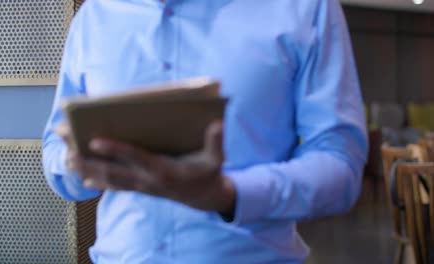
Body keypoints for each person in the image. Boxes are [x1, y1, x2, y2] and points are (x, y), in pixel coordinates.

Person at [43, 0, 368, 263]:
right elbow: (55, 151)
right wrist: (77, 164)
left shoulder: (305, 8)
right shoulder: (94, 16)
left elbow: (340, 165)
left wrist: (228, 194)